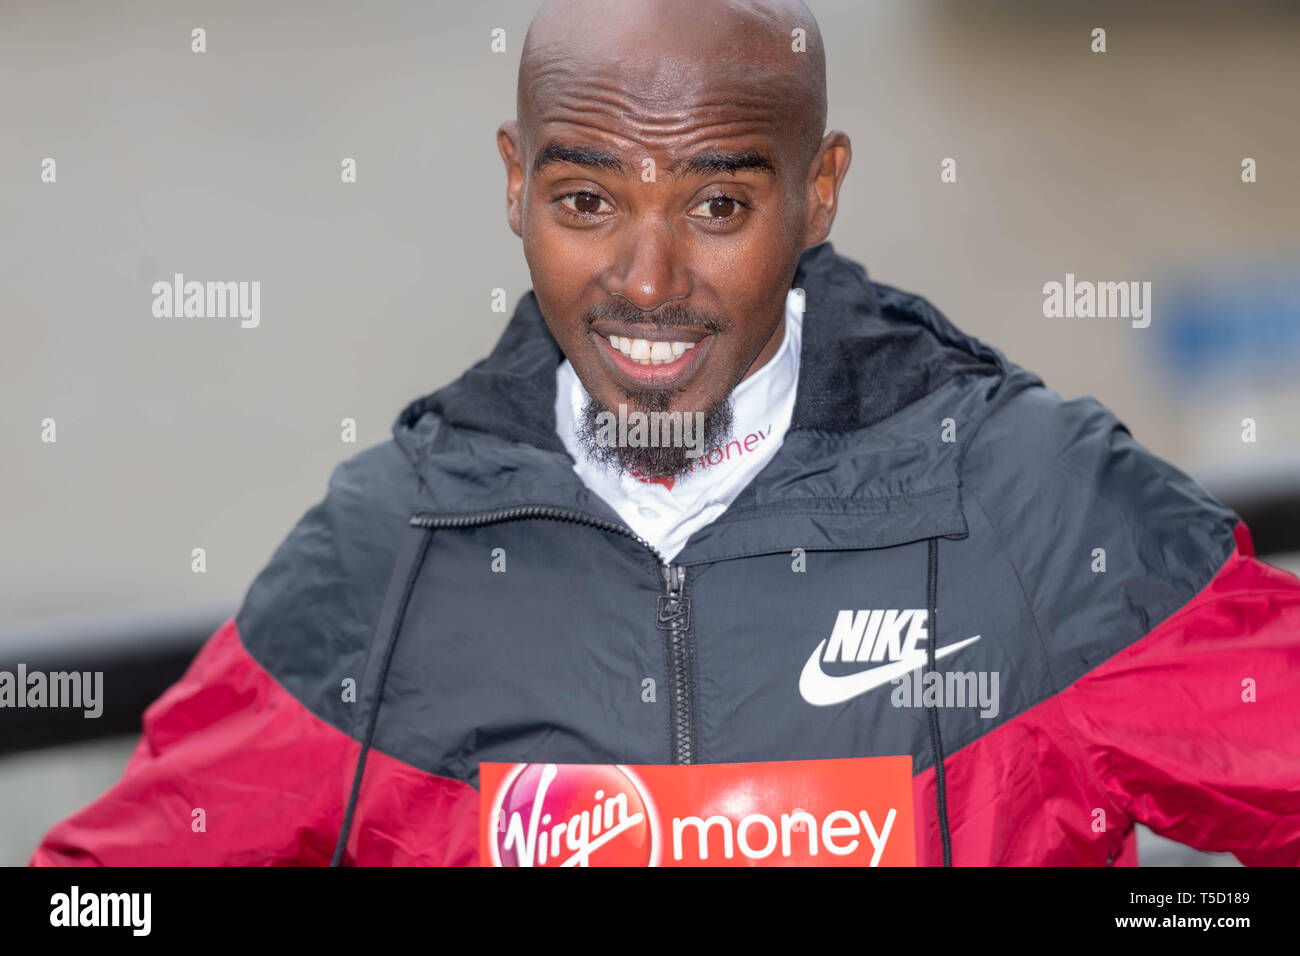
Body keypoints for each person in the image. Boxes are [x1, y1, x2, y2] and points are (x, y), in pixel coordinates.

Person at [32, 0, 1300, 866]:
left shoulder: (1043, 506)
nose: (644, 280)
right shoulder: (382, 554)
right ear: (513, 184)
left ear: (818, 191)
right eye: (586, 198)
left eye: (715, 201)